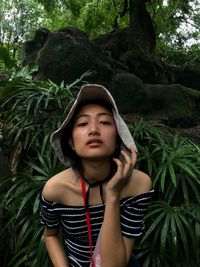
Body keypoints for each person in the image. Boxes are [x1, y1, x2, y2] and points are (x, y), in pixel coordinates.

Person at [40, 83, 154, 267]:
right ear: (71, 142)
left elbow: (113, 265)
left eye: (105, 122)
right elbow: (50, 235)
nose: (94, 129)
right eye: (83, 123)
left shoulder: (138, 185)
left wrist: (114, 195)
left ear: (118, 139)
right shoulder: (55, 189)